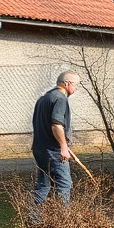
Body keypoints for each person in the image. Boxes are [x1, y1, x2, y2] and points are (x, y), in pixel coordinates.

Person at [31, 71, 80, 204]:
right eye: (76, 85)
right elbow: (56, 125)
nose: (76, 89)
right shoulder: (60, 98)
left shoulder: (44, 98)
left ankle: (34, 220)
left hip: (39, 148)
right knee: (64, 184)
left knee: (43, 185)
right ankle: (62, 220)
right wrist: (64, 147)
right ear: (68, 83)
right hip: (53, 151)